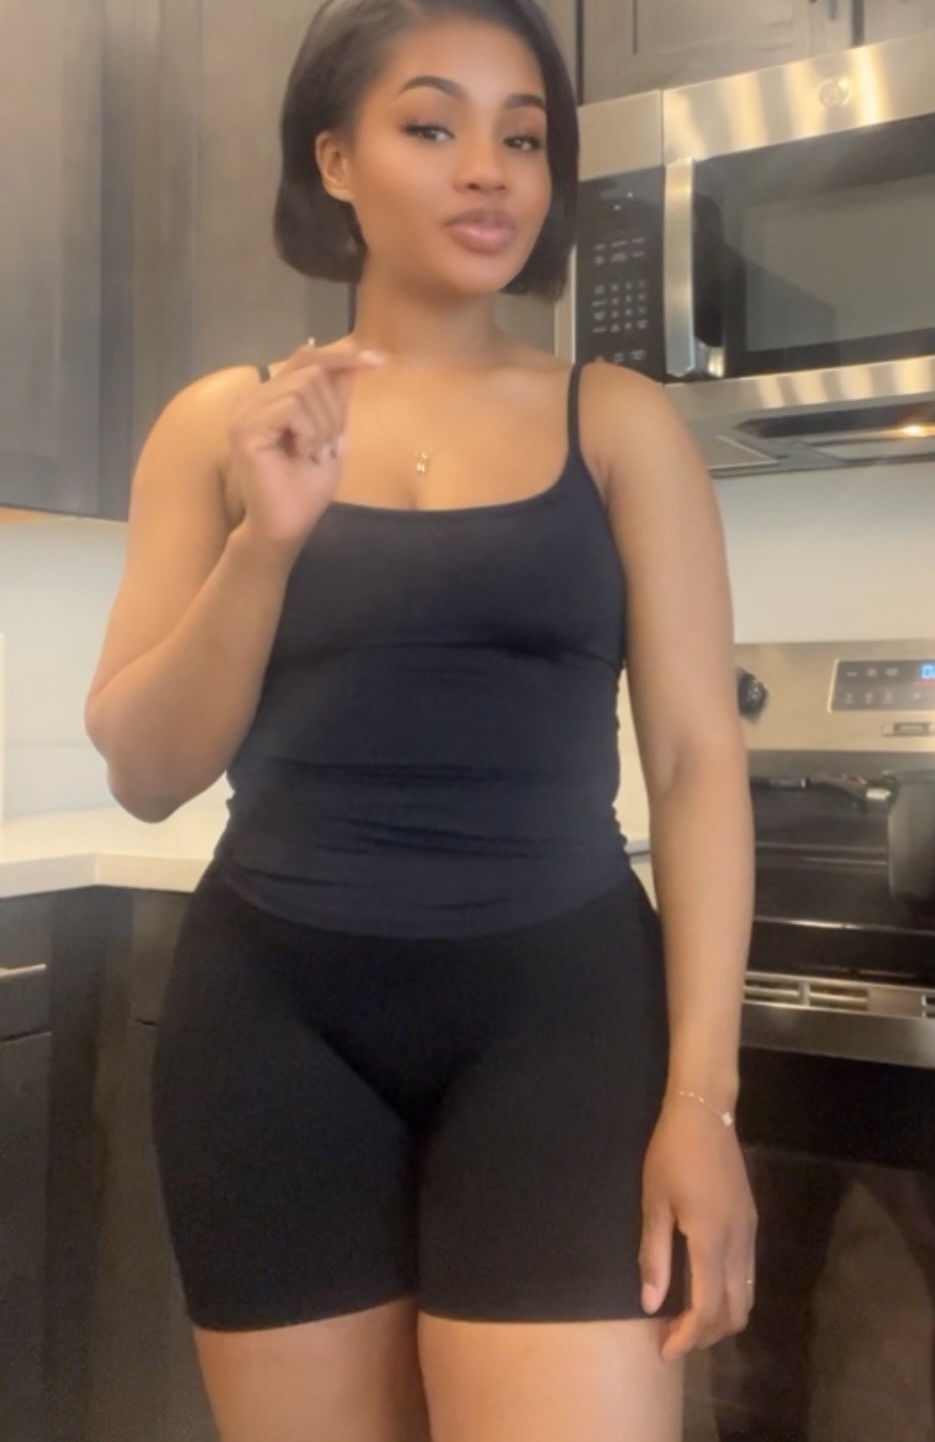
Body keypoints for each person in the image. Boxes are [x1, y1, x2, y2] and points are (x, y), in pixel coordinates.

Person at [83, 0, 757, 1438]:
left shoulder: (620, 424)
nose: (489, 169)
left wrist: (703, 1104)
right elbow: (146, 770)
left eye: (525, 136)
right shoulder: (221, 426)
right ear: (334, 159)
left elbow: (699, 763)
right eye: (432, 125)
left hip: (563, 1019)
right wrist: (266, 544)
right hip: (272, 1025)